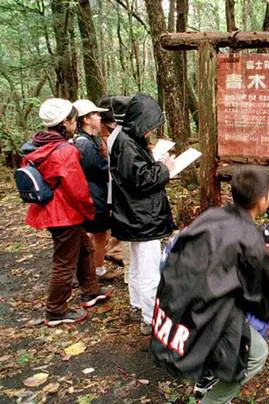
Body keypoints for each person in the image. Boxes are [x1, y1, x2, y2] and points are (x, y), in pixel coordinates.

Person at [151, 167, 269, 404]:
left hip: (175, 301)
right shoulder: (253, 244)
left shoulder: (211, 216)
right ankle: (214, 399)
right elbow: (261, 303)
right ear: (263, 201)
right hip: (202, 313)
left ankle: (208, 374)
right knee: (256, 353)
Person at [20, 98, 112, 326]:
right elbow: (77, 189)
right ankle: (55, 310)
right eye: (72, 119)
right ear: (66, 122)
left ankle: (91, 290)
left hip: (52, 210)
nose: (74, 124)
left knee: (85, 249)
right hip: (64, 213)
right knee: (64, 262)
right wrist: (89, 208)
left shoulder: (39, 144)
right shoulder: (64, 151)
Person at [110, 93, 175, 335]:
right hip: (142, 217)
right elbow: (141, 179)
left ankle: (138, 305)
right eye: (149, 126)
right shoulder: (127, 143)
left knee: (138, 265)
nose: (150, 131)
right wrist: (164, 168)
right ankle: (151, 319)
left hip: (134, 215)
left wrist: (155, 162)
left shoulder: (127, 138)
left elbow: (135, 172)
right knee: (149, 271)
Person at [73, 99, 110, 278]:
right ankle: (94, 271)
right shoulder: (83, 143)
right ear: (86, 119)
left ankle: (95, 269)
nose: (99, 117)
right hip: (92, 194)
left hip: (95, 192)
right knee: (96, 232)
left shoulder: (90, 140)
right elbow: (99, 169)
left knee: (99, 232)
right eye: (95, 114)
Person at [98, 96, 132, 272]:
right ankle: (112, 254)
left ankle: (113, 250)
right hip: (110, 187)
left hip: (112, 186)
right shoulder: (105, 136)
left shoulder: (114, 133)